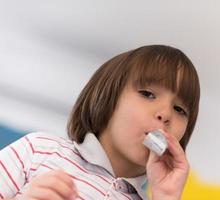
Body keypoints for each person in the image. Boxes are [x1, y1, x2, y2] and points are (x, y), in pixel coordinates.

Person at [0, 45, 200, 200]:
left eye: (180, 110)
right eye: (147, 94)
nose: (165, 114)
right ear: (108, 99)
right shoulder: (39, 149)